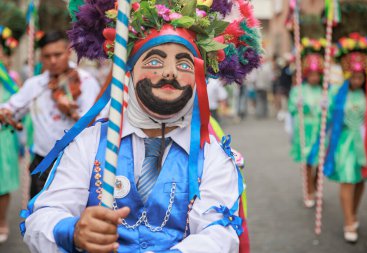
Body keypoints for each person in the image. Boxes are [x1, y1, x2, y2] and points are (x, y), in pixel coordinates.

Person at [21, 0, 263, 252]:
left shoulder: (212, 155)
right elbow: (40, 219)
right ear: (129, 73)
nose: (170, 73)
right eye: (155, 62)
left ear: (198, 78)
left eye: (183, 64)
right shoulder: (89, 143)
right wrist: (72, 230)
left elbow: (218, 234)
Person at [0, 31, 101, 199]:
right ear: (41, 58)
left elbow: (97, 123)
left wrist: (71, 112)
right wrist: (5, 112)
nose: (53, 61)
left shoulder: (86, 81)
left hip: (76, 164)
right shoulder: (35, 84)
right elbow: (12, 107)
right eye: (47, 56)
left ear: (68, 52)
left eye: (58, 55)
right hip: (42, 162)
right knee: (37, 215)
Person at [324, 34, 367, 243]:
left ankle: (354, 213)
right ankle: (348, 221)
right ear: (347, 75)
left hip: (366, 144)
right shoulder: (337, 94)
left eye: (360, 76)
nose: (357, 80)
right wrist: (324, 107)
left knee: (360, 180)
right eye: (353, 76)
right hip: (345, 144)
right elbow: (328, 117)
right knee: (347, 179)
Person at [0, 1, 25, 243]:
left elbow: (20, 107)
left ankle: (2, 222)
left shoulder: (11, 78)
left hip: (3, 137)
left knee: (3, 184)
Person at [288, 43, 324, 208]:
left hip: (320, 131)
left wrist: (326, 106)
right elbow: (291, 108)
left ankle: (315, 185)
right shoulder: (299, 90)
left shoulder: (324, 91)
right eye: (311, 74)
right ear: (307, 74)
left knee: (319, 162)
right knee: (307, 162)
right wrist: (298, 104)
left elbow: (329, 114)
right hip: (304, 130)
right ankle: (308, 190)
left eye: (317, 75)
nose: (314, 78)